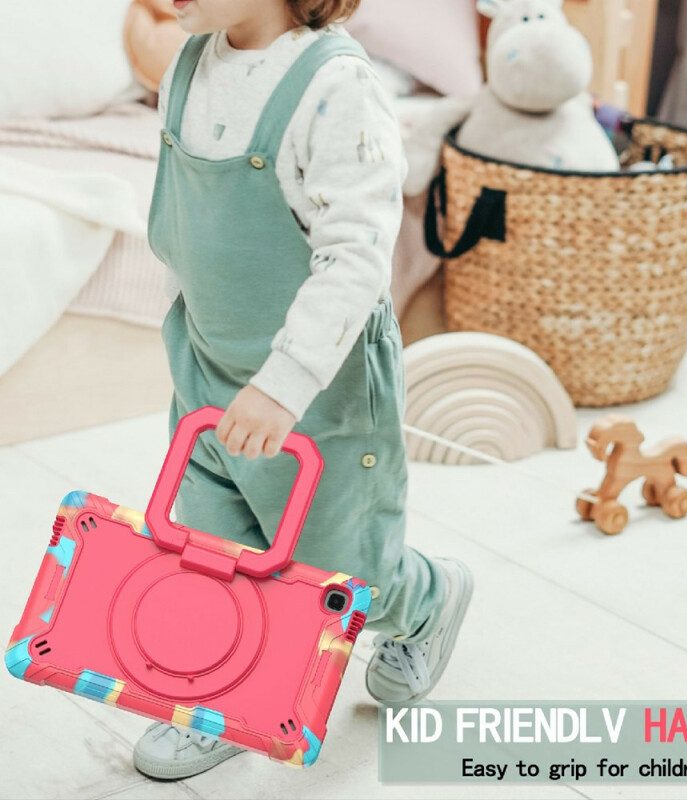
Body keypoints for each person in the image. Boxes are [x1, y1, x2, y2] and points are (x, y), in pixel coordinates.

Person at [134, 0, 473, 780]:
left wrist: (283, 384)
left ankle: (424, 597)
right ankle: (222, 699)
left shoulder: (336, 89)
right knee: (212, 549)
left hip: (322, 390)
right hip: (210, 367)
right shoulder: (187, 65)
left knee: (337, 572)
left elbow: (356, 258)